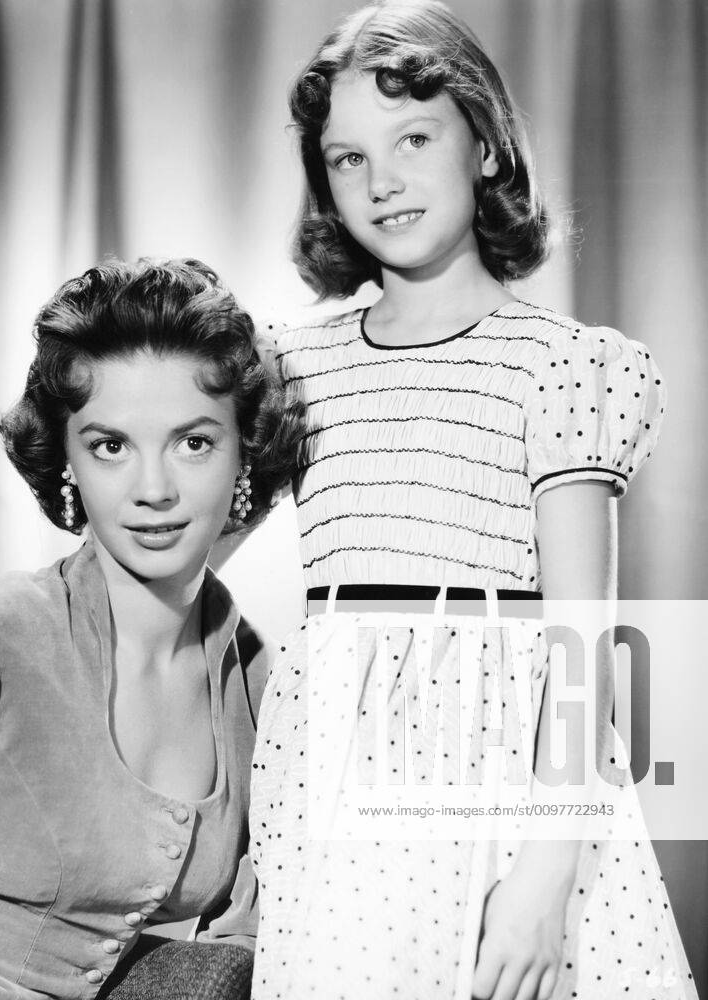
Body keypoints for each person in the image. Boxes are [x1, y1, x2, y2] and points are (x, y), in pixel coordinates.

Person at [246, 3, 698, 999]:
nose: (383, 180)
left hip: (510, 788)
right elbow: (179, 535)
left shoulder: (560, 364)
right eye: (348, 158)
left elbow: (584, 642)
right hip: (341, 802)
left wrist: (544, 874)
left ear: (487, 146)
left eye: (414, 138)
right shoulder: (295, 366)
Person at [0, 258, 302, 1000]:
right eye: (111, 445)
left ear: (243, 457)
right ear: (69, 463)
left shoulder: (259, 681)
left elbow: (247, 937)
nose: (153, 491)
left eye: (193, 442)